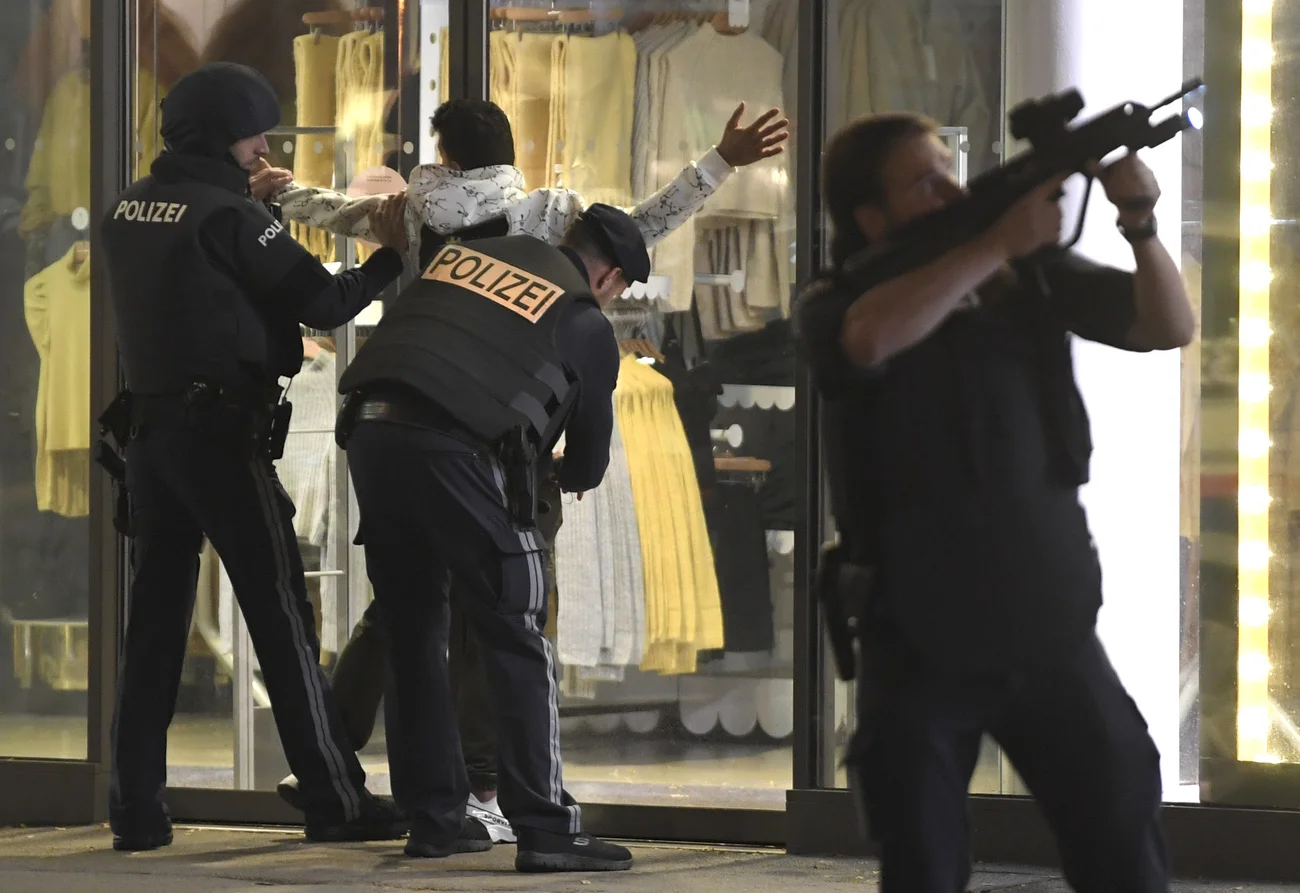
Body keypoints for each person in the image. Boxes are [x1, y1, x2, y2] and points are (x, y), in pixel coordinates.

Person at [259, 95, 788, 839]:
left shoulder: (408, 213)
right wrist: (721, 161)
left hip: (387, 412)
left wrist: (283, 191)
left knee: (405, 614)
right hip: (501, 437)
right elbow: (646, 222)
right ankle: (498, 796)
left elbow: (341, 212)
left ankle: (367, 774)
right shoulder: (549, 218)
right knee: (509, 619)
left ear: (443, 155)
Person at [795, 113, 1194, 893]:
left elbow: (1167, 323)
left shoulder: (1028, 276)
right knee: (925, 862)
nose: (951, 187)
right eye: (923, 180)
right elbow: (868, 339)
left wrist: (1140, 223)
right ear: (870, 216)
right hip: (918, 638)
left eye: (950, 167)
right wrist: (992, 246)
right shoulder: (838, 296)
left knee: (1121, 838)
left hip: (1050, 622)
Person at [98, 61, 412, 852]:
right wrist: (389, 254)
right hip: (221, 442)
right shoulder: (231, 218)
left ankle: (137, 809)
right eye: (251, 135)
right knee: (282, 619)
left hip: (149, 440)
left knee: (155, 630)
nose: (262, 147)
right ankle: (335, 799)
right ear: (217, 135)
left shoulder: (128, 209)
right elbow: (326, 302)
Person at [331, 204, 651, 872]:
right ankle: (546, 828)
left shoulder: (472, 257)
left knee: (412, 623)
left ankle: (436, 819)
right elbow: (589, 458)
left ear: (566, 239)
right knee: (516, 622)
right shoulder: (583, 315)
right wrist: (557, 472)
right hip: (455, 447)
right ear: (614, 277)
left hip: (368, 426)